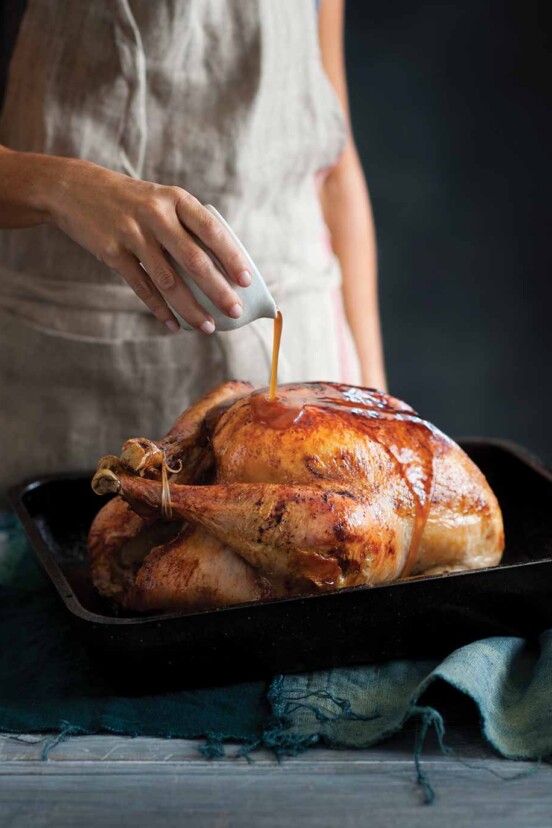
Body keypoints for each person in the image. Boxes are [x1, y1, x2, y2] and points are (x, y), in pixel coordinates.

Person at [0, 0, 386, 505]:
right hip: (78, 365)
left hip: (303, 351)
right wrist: (62, 186)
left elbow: (335, 166)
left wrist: (376, 404)